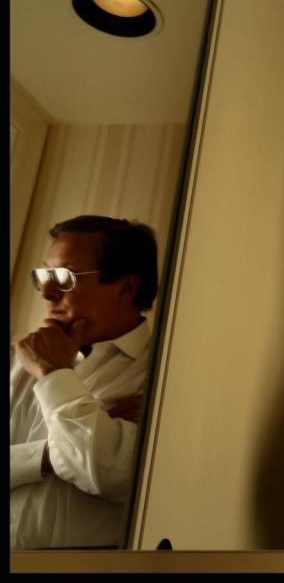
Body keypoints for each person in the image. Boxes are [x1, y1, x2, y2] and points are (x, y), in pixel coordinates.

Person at [10, 215, 159, 549]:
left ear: (126, 287)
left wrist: (53, 376)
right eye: (45, 275)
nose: (47, 292)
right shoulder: (12, 361)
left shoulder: (162, 378)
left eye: (64, 277)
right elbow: (97, 455)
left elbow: (112, 475)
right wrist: (51, 454)